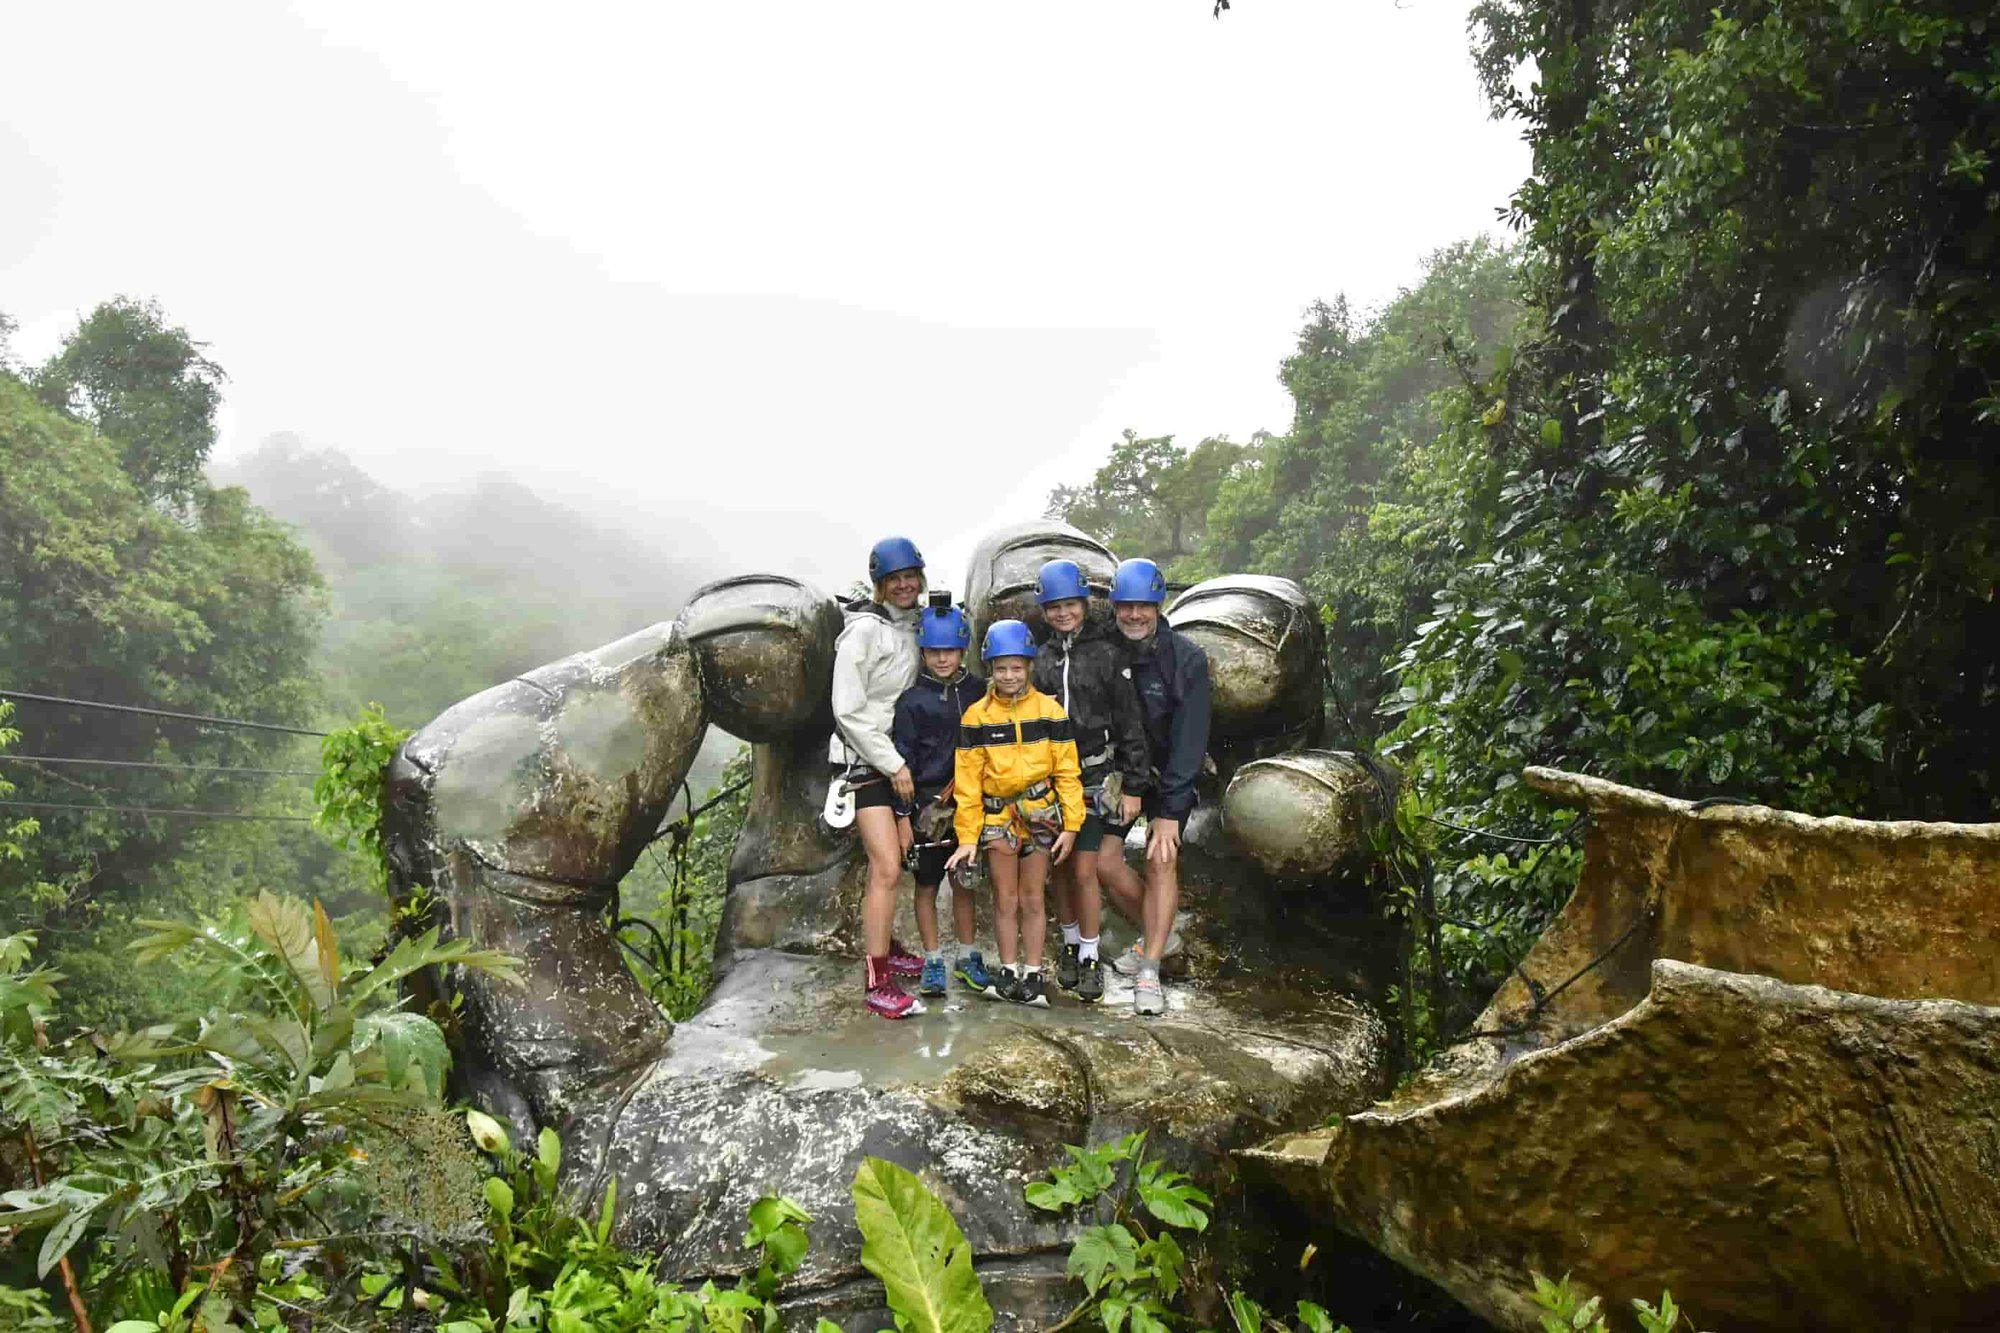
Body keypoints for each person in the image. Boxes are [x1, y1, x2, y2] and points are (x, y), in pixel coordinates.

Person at [943, 619, 1083, 1008]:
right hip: (997, 818)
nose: (1009, 675)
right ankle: (1007, 967)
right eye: (1001, 668)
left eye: (1016, 667)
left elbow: (1067, 771)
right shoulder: (977, 716)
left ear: (1029, 667)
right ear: (990, 668)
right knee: (1005, 898)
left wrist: (1072, 824)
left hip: (1040, 814)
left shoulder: (1049, 711)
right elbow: (968, 782)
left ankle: (1033, 972)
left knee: (1033, 897)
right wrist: (968, 837)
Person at [1030, 559, 1150, 1003]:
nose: (1063, 613)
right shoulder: (1039, 660)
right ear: (1044, 611)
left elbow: (1129, 721)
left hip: (1096, 778)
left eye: (1070, 605)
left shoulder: (1107, 654)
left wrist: (1134, 784)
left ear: (1084, 604)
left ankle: (1090, 955)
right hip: (1048, 781)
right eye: (1054, 607)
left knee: (1085, 869)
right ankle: (1067, 944)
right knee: (1058, 871)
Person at [1100, 557, 1210, 1018]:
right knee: (1103, 862)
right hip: (1125, 775)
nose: (1133, 616)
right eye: (1125, 607)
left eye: (1142, 606)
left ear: (1158, 605)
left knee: (1160, 856)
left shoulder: (1186, 658)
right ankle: (1162, 932)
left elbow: (1190, 739)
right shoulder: (1107, 649)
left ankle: (1148, 968)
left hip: (1169, 775)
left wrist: (1169, 812)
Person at [832, 535, 927, 1019]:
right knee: (887, 867)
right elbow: (847, 710)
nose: (905, 585)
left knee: (898, 860)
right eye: (896, 579)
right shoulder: (863, 632)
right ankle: (876, 979)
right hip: (864, 762)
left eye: (911, 577)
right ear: (880, 584)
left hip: (896, 758)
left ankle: (887, 946)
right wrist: (893, 764)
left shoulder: (912, 628)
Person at [890, 601, 990, 998]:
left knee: (964, 881)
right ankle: (933, 960)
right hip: (928, 804)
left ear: (962, 650)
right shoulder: (913, 701)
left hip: (970, 802)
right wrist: (903, 815)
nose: (943, 657)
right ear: (923, 653)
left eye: (949, 650)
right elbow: (904, 760)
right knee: (927, 884)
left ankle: (967, 955)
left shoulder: (979, 692)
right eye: (934, 651)